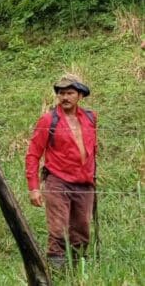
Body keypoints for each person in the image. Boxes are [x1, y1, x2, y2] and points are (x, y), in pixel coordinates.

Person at [25, 74, 97, 269]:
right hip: (58, 181)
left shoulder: (90, 118)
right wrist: (34, 187)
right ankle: (58, 275)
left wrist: (92, 177)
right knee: (58, 230)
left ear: (79, 96)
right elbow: (33, 154)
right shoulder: (49, 120)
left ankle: (78, 272)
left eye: (70, 93)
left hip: (84, 183)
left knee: (82, 231)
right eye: (61, 93)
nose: (65, 97)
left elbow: (93, 150)